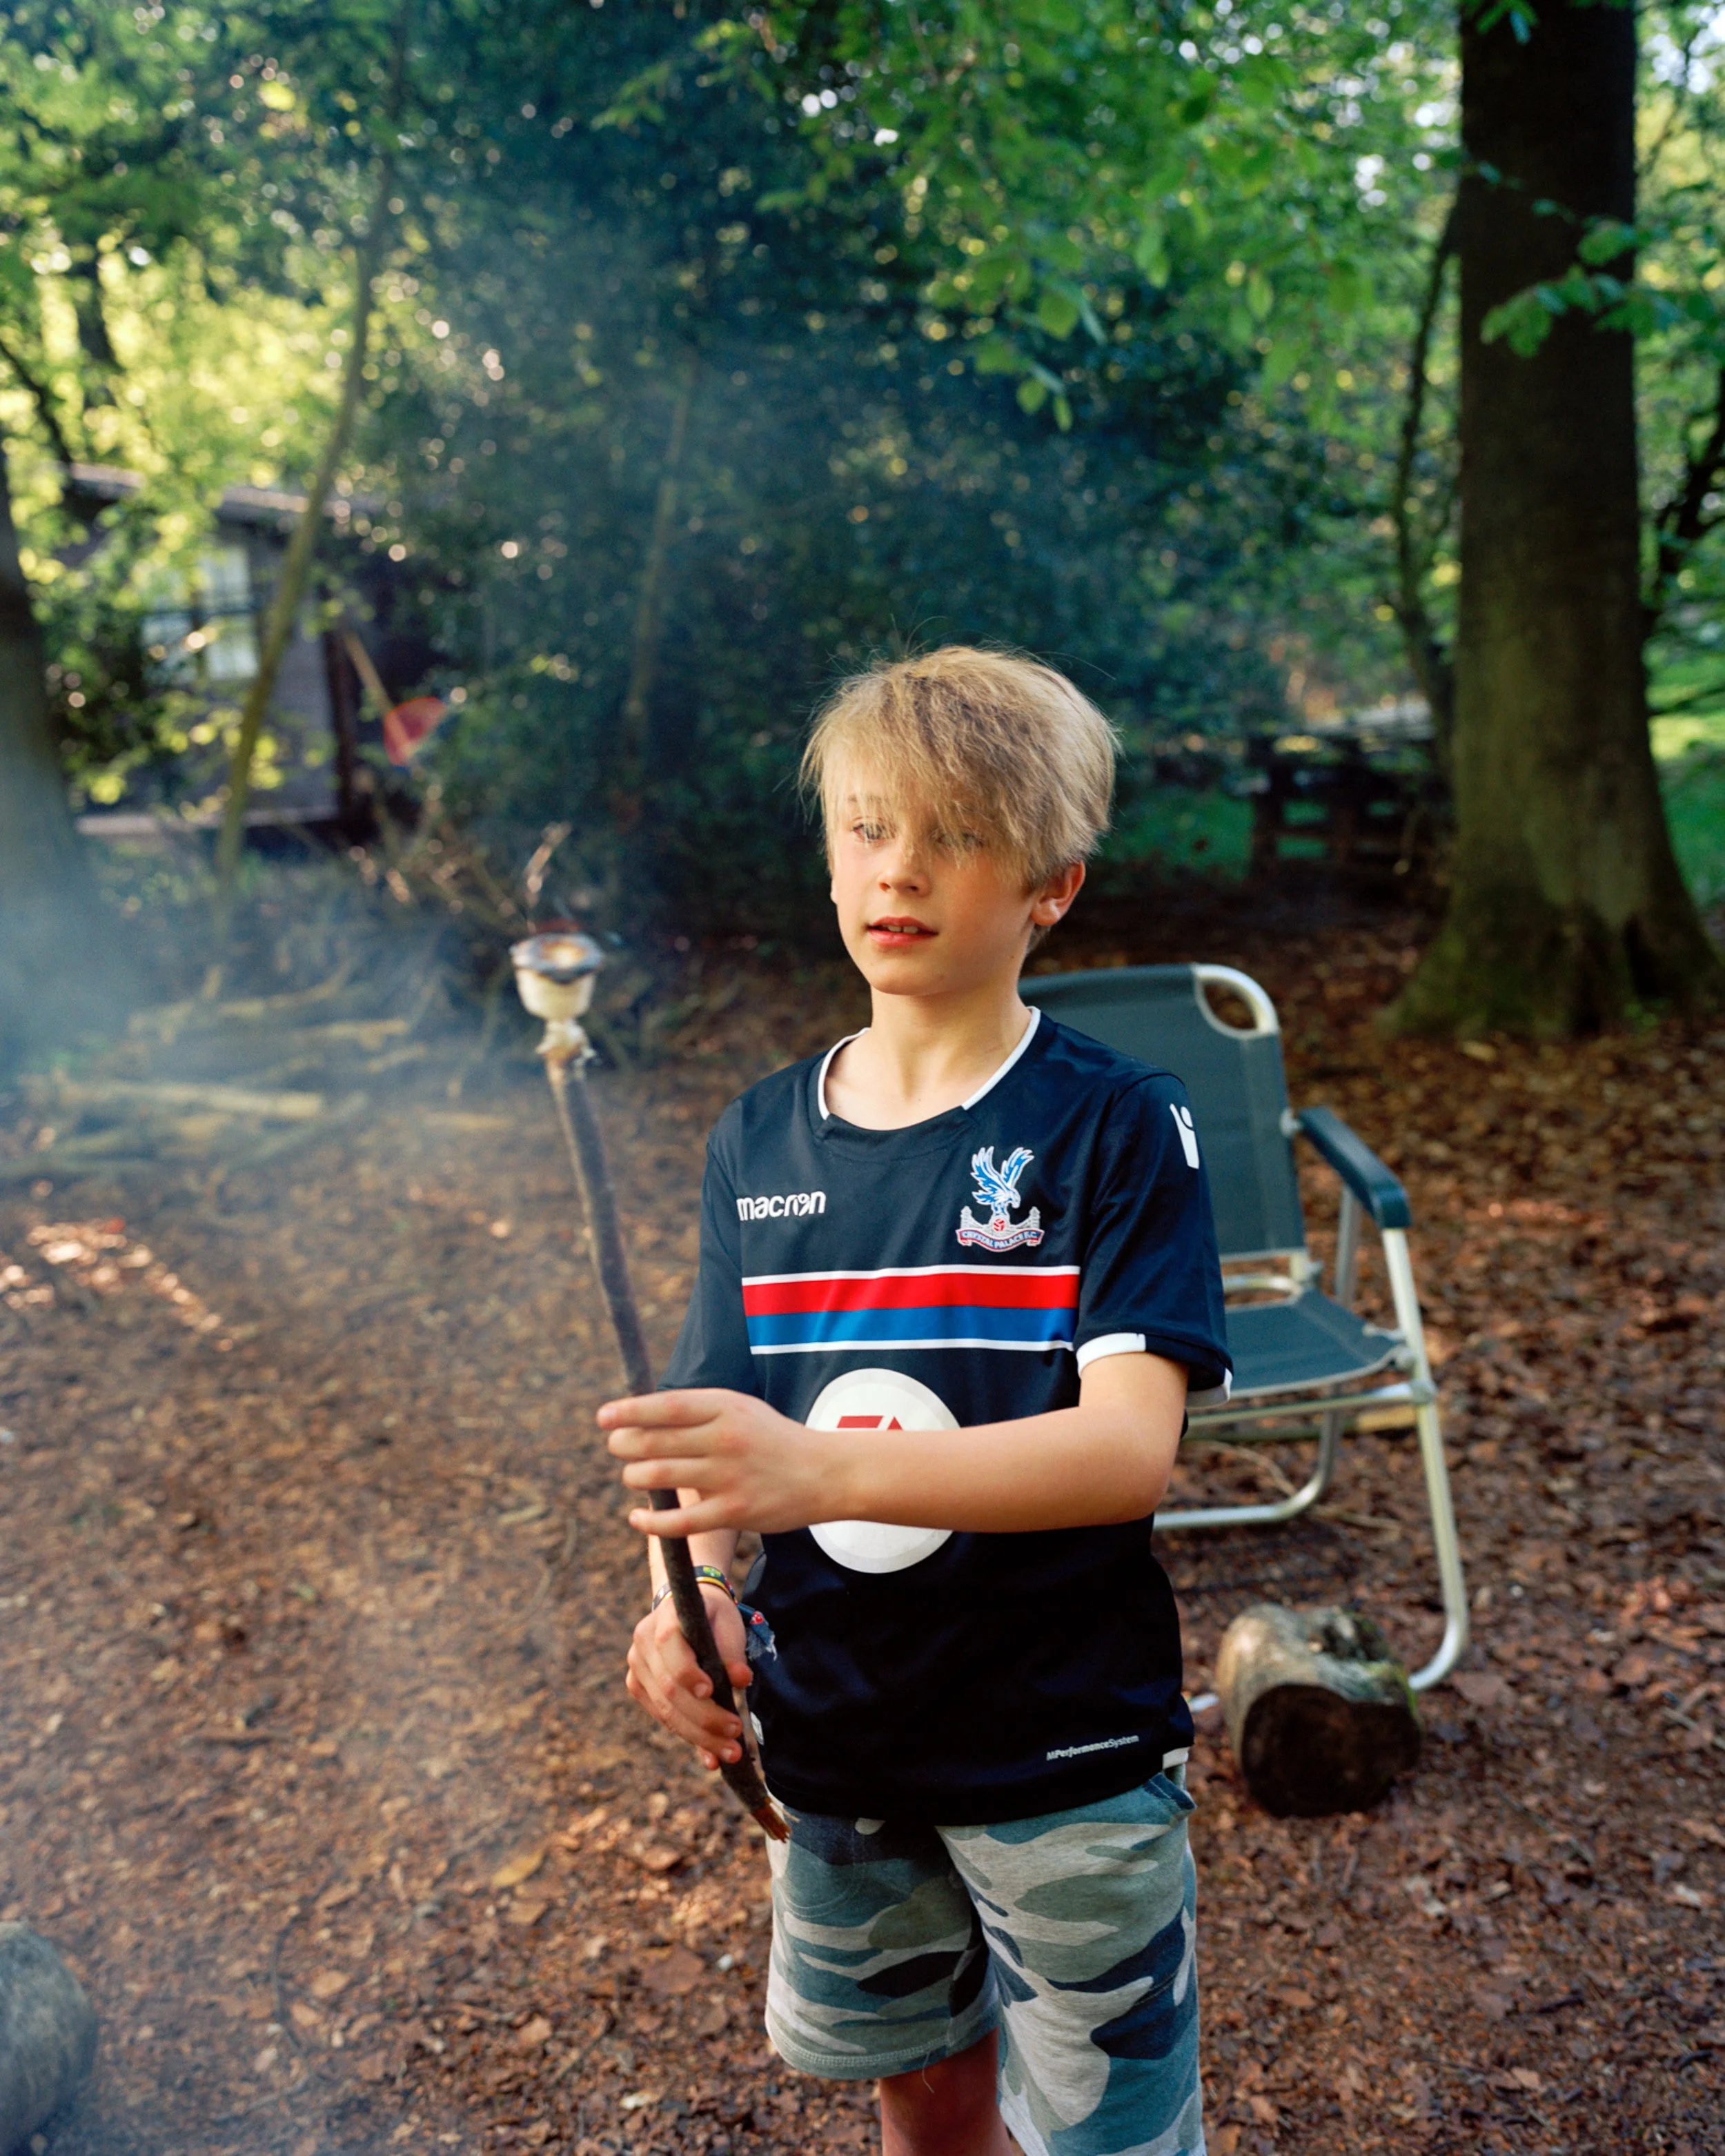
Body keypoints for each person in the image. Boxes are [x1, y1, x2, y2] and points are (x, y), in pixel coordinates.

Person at [600, 646, 1231, 2156]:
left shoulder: (1114, 1124)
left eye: (955, 834)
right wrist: (682, 1607)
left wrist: (810, 1472)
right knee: (924, 2106)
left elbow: (1124, 1450)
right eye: (868, 828)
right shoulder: (757, 1139)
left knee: (1109, 2135)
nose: (900, 869)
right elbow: (702, 1446)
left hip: (1060, 1743)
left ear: (1049, 887)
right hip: (839, 1739)